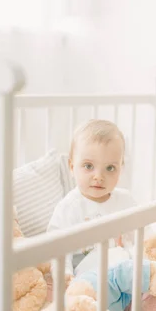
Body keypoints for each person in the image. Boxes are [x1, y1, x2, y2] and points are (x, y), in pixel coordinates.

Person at [47, 119, 137, 284]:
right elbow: (57, 249)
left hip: (126, 275)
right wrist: (64, 273)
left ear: (120, 168)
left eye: (110, 168)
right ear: (72, 167)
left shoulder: (126, 200)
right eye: (88, 166)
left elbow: (144, 236)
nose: (99, 176)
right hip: (89, 278)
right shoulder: (68, 208)